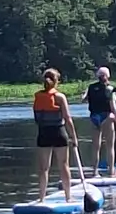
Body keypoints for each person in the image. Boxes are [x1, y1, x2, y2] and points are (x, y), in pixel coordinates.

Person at [33, 68, 82, 202]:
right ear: (56, 81)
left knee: (43, 168)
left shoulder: (37, 96)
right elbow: (68, 118)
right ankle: (68, 197)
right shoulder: (60, 97)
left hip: (43, 134)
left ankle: (41, 198)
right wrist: (74, 137)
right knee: (63, 165)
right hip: (59, 133)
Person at [84, 67, 116, 175]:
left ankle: (94, 172)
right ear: (108, 76)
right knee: (110, 146)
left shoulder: (91, 87)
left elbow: (84, 99)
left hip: (94, 117)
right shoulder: (111, 88)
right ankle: (111, 170)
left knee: (96, 146)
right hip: (107, 117)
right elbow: (114, 104)